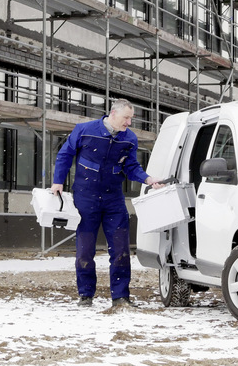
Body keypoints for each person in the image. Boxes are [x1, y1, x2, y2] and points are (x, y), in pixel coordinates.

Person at [51, 99, 161, 308]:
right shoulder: (84, 130)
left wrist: (148, 179)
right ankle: (85, 295)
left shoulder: (129, 138)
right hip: (85, 197)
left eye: (131, 118)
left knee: (120, 249)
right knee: (85, 250)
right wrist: (58, 181)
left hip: (114, 199)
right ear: (113, 113)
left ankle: (120, 297)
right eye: (126, 118)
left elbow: (131, 166)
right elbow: (65, 154)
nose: (128, 122)